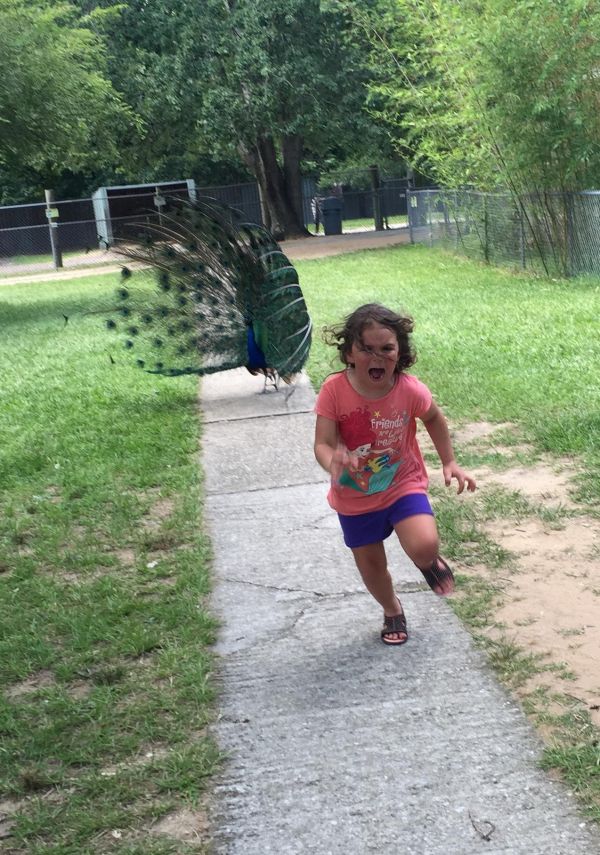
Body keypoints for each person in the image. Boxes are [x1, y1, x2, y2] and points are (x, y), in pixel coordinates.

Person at [313, 303, 476, 646]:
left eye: (386, 349)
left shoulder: (410, 389)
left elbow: (433, 417)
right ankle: (392, 610)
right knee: (372, 567)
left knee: (424, 544)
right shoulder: (334, 391)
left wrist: (449, 461)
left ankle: (427, 561)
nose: (377, 357)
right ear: (348, 354)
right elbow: (322, 444)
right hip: (354, 495)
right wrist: (333, 461)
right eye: (366, 349)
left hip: (403, 483)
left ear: (400, 353)